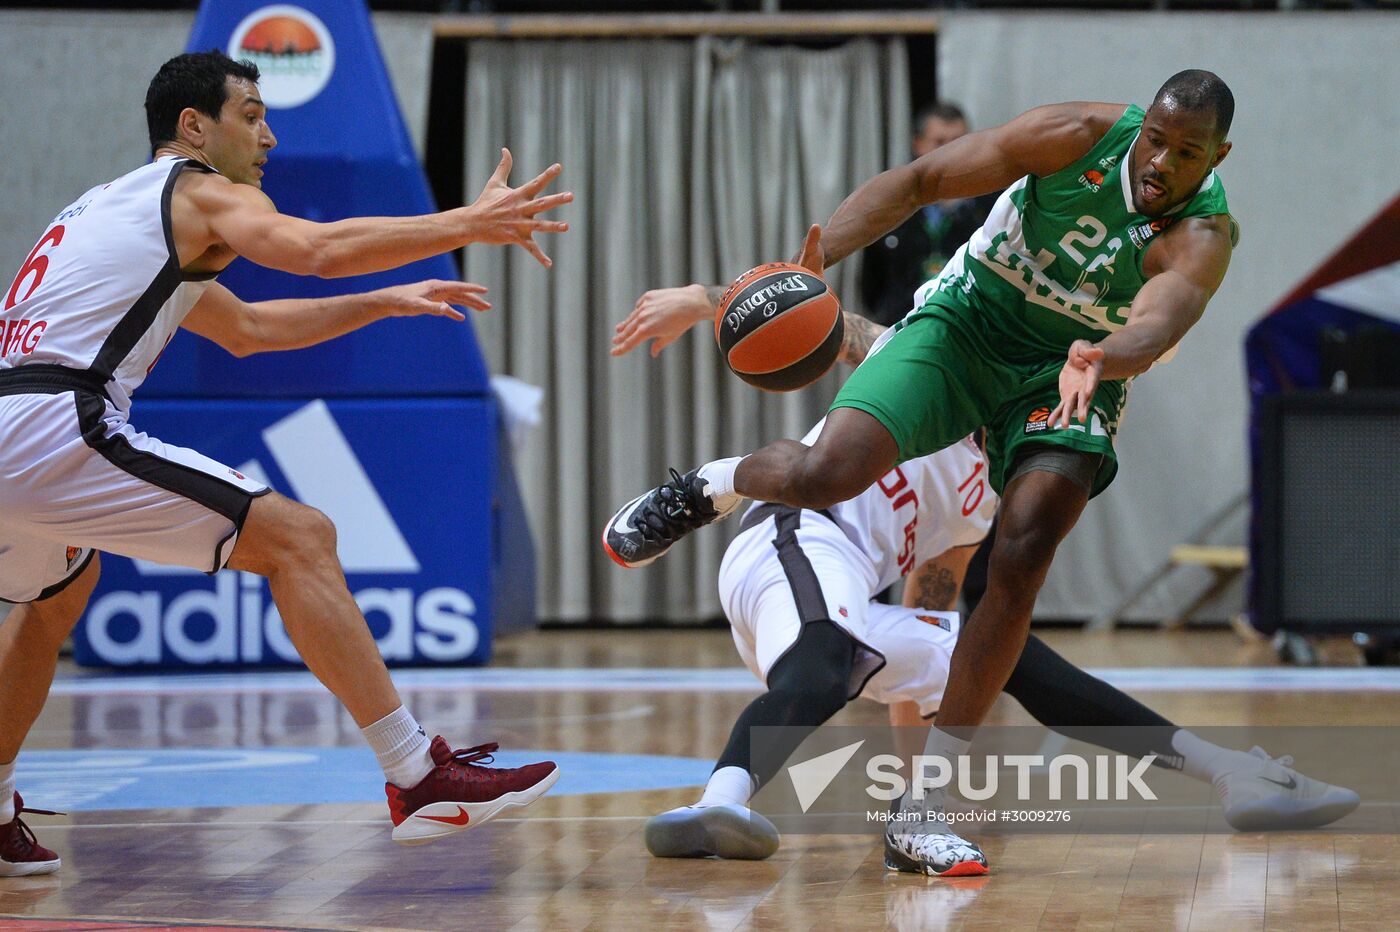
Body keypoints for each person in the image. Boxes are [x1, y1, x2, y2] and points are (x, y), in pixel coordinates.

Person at [604, 70, 1240, 873]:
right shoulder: (1076, 134)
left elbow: (1156, 321)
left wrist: (1100, 354)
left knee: (1017, 594)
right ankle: (709, 485)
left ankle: (921, 810)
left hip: (1060, 378)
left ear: (1216, 156)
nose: (1161, 162)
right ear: (1142, 126)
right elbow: (873, 273)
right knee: (830, 477)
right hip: (813, 518)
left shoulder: (1200, 243)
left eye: (1186, 153)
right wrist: (752, 280)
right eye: (1156, 139)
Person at [0, 50, 572, 876]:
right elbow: (311, 248)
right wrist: (462, 225)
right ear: (194, 127)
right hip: (59, 423)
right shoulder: (199, 191)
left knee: (54, 600)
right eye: (252, 114)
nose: (269, 134)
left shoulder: (107, 208)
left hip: (14, 427)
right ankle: (416, 775)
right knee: (299, 537)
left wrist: (382, 302)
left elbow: (248, 331)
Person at [615, 296, 1358, 876]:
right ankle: (716, 803)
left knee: (1004, 657)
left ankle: (1231, 774)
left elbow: (933, 615)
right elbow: (824, 323)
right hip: (786, 538)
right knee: (828, 656)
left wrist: (917, 791)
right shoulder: (946, 365)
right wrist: (705, 298)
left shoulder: (990, 493)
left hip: (842, 600)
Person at [858, 102, 998, 327]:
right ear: (918, 144)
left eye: (958, 141)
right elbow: (871, 285)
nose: (951, 150)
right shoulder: (892, 204)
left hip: (973, 332)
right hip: (901, 330)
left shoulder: (994, 203)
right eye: (940, 142)